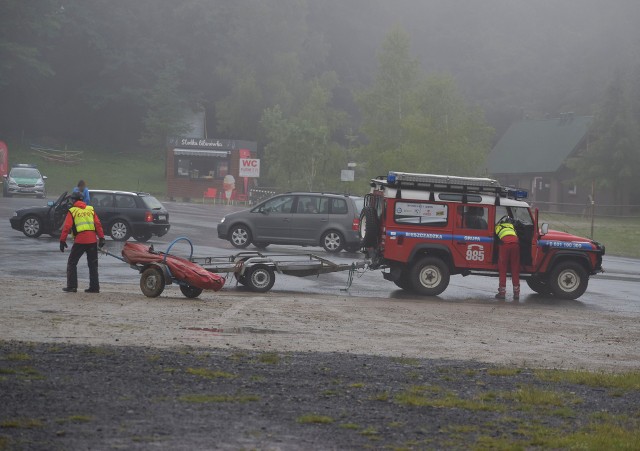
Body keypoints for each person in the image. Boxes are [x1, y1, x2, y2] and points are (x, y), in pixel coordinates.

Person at [59, 191, 105, 293]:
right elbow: (97, 224)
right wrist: (101, 238)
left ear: (74, 200)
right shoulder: (90, 209)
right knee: (93, 265)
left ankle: (72, 286)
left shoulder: (72, 211)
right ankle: (94, 287)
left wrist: (62, 240)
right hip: (92, 240)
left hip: (80, 240)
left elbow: (66, 227)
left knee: (72, 263)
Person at [494, 216, 520, 300]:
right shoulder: (511, 226)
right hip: (515, 243)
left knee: (503, 268)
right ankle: (516, 293)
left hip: (505, 244)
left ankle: (502, 293)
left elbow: (495, 237)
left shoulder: (498, 227)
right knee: (515, 268)